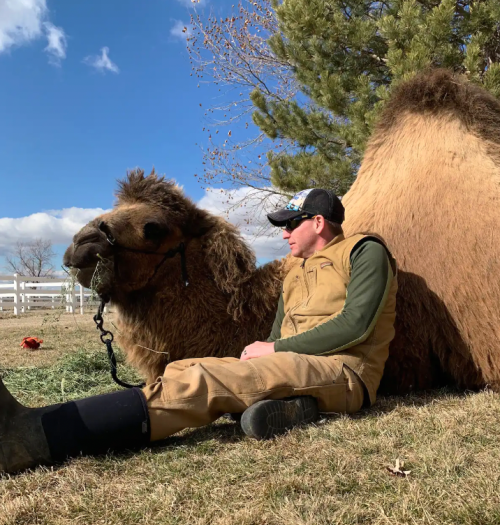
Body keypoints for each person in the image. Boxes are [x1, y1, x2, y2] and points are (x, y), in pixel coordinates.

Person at [0, 189, 397, 474]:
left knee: (201, 380)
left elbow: (356, 325)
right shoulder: (294, 272)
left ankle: (33, 436)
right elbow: (279, 331)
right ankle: (297, 408)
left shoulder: (364, 251)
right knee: (183, 367)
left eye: (291, 224)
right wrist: (269, 347)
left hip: (346, 372)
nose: (283, 233)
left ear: (318, 222)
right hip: (302, 367)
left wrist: (274, 349)